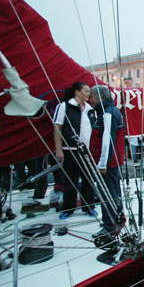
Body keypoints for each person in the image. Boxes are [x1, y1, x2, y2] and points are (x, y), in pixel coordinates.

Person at [53, 82, 96, 219]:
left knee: (88, 179)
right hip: (71, 149)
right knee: (71, 180)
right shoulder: (64, 107)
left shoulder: (90, 109)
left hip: (87, 151)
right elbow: (57, 128)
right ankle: (68, 208)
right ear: (77, 92)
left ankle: (89, 206)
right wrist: (58, 149)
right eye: (86, 91)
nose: (89, 94)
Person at [89, 85, 126, 238]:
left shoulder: (108, 113)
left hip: (108, 163)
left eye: (92, 96)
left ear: (101, 97)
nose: (90, 99)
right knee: (114, 193)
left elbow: (107, 140)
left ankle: (110, 228)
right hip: (112, 162)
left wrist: (102, 163)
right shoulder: (110, 111)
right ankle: (117, 220)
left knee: (107, 195)